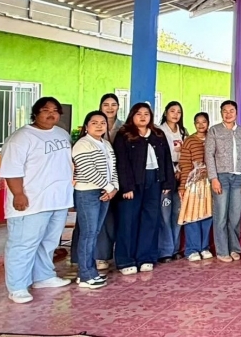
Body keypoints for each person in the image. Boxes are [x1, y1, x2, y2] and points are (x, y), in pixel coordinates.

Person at [0, 97, 74, 304]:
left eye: (55, 110)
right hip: (31, 202)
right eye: (45, 110)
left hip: (58, 200)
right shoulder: (21, 138)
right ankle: (17, 287)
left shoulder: (62, 134)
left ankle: (43, 276)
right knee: (23, 244)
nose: (51, 114)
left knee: (49, 242)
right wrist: (18, 194)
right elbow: (11, 170)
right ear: (35, 113)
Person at [112, 103, 175, 275]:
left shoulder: (157, 134)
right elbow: (121, 162)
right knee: (128, 221)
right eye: (138, 114)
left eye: (146, 114)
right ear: (132, 115)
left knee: (151, 219)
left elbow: (166, 159)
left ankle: (146, 257)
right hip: (133, 183)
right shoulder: (124, 135)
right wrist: (126, 186)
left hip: (155, 180)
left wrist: (167, 183)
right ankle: (126, 260)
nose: (142, 117)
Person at [71, 111, 118, 289]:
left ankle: (89, 272)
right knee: (88, 233)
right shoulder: (82, 144)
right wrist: (109, 187)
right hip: (87, 192)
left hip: (105, 192)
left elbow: (113, 168)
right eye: (94, 122)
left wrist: (114, 187)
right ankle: (85, 274)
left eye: (102, 123)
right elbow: (87, 169)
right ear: (86, 126)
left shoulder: (106, 144)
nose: (99, 126)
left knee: (94, 232)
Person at [205, 100, 241, 263]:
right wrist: (214, 178)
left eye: (231, 110)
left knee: (235, 215)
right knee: (221, 215)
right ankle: (222, 250)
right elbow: (209, 155)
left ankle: (234, 248)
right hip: (221, 177)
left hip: (238, 177)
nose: (228, 114)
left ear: (236, 113)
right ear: (221, 113)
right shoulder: (214, 130)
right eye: (225, 111)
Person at [178, 112, 213, 261]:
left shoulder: (213, 138)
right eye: (197, 122)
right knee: (192, 215)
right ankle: (192, 249)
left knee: (207, 215)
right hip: (192, 184)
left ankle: (204, 247)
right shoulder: (189, 141)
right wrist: (182, 186)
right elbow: (185, 164)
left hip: (209, 183)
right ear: (194, 124)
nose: (201, 125)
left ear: (208, 123)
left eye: (203, 121)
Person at [95, 93, 122, 271]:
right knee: (103, 219)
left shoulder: (124, 127)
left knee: (119, 218)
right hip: (99, 179)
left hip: (121, 178)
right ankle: (101, 255)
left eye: (113, 104)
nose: (110, 108)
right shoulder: (94, 124)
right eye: (106, 104)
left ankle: (120, 254)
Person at [158, 101, 187, 263]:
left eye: (179, 112)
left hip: (181, 177)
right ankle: (164, 251)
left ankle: (175, 249)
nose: (175, 114)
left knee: (178, 214)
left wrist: (181, 170)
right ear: (166, 113)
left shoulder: (183, 132)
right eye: (172, 111)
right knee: (164, 215)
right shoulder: (159, 131)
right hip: (166, 178)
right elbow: (160, 157)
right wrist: (171, 172)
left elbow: (186, 155)